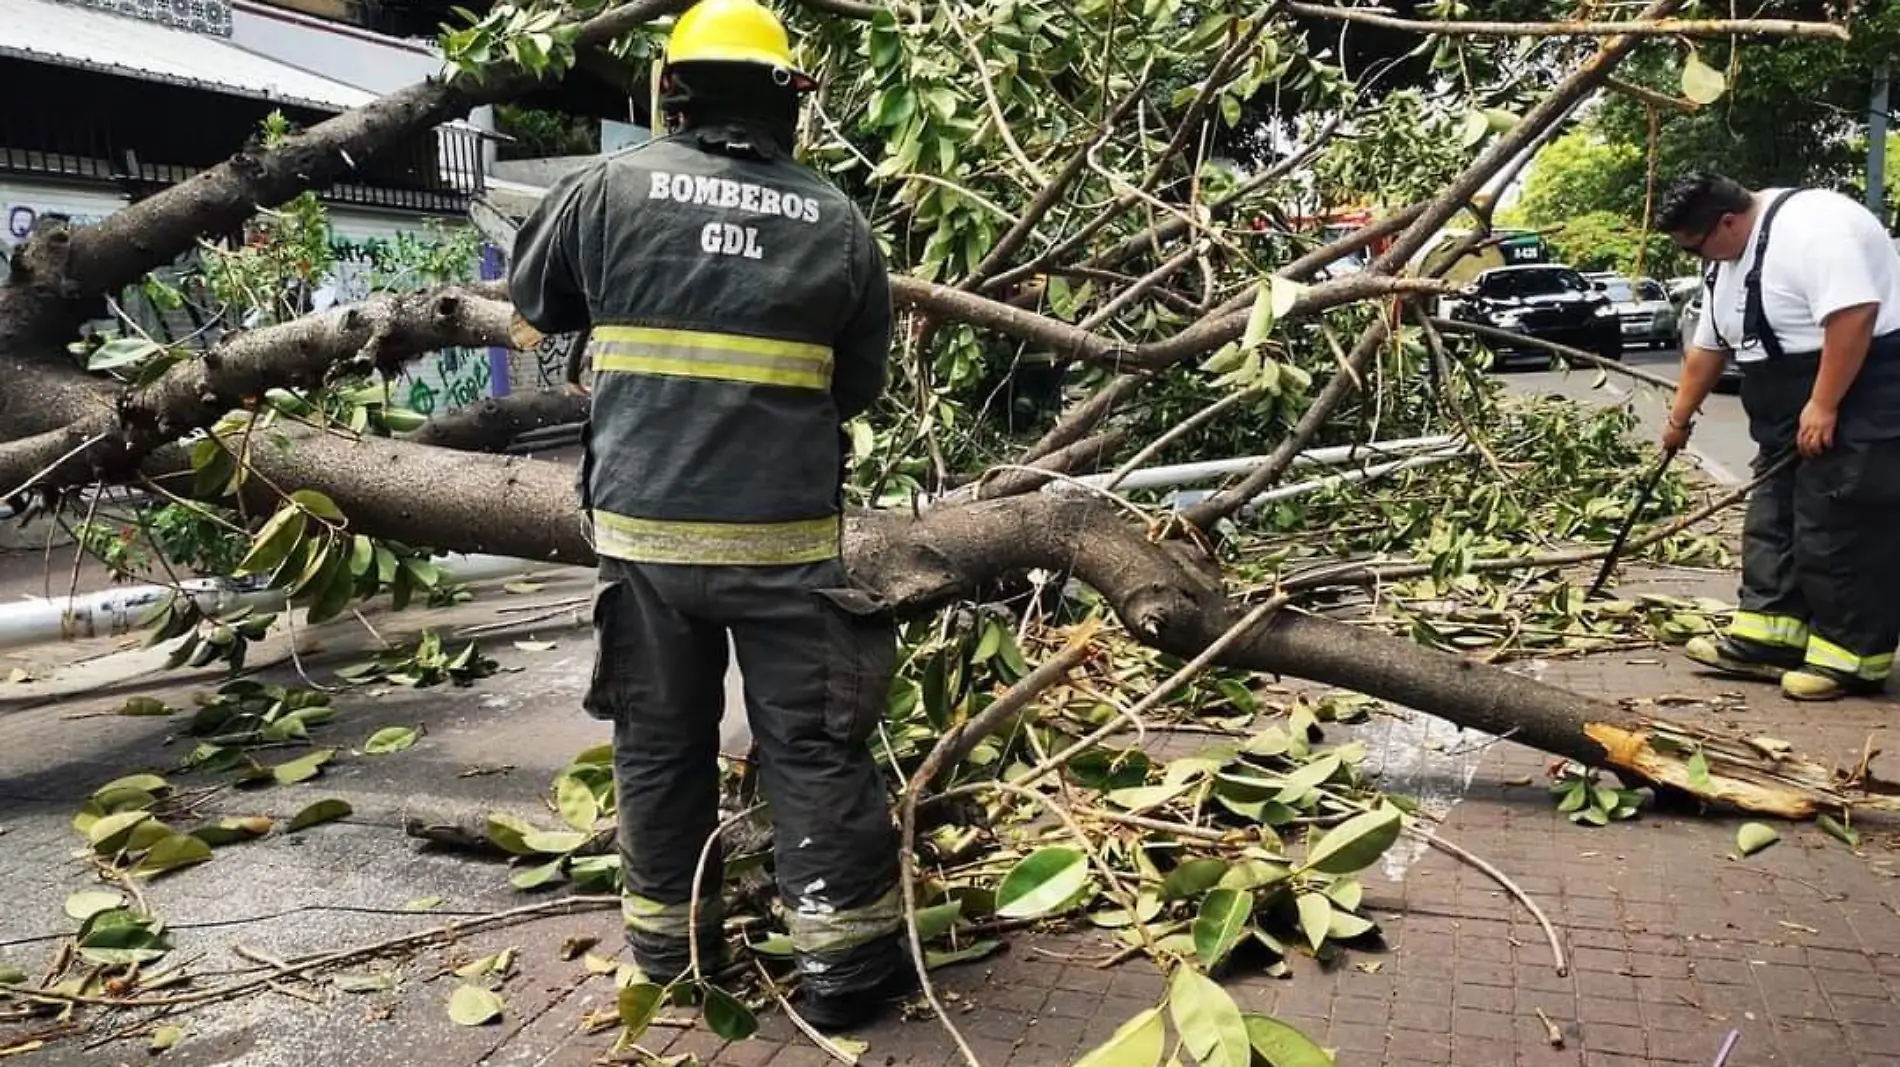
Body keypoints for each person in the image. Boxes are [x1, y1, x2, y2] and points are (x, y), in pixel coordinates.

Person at [506, 0, 910, 1029]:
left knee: (658, 746)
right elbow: (854, 387)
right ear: (789, 102)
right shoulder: (839, 222)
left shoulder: (605, 189)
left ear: (670, 90)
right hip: (784, 545)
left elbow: (536, 298)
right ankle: (848, 976)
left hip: (643, 541)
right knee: (816, 750)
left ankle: (677, 956)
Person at [1657, 171, 1900, 701]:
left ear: (1727, 220)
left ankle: (1853, 658)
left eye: (1697, 245)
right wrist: (1678, 421)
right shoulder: (1726, 260)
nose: (1699, 257)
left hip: (1864, 383)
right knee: (1774, 515)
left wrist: (1824, 403)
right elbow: (1709, 347)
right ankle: (1770, 637)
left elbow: (1855, 316)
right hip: (1784, 395)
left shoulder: (1815, 227)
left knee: (1840, 519)